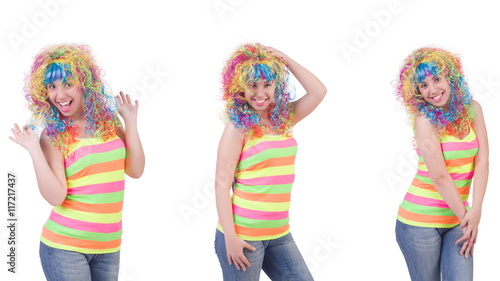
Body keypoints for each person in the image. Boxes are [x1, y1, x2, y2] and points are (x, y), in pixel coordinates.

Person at [9, 43, 145, 281]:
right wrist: (34, 150)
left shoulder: (109, 122)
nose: (59, 96)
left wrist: (131, 122)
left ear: (85, 84)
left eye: (68, 84)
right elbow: (56, 196)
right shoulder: (53, 135)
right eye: (52, 86)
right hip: (65, 248)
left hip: (109, 247)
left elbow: (135, 170)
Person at [214, 43, 327, 280]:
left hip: (279, 233)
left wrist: (284, 59)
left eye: (268, 84)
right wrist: (230, 238)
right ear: (240, 87)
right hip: (243, 235)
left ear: (277, 85)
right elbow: (221, 185)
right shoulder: (238, 127)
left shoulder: (284, 118)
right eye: (252, 85)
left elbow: (319, 91)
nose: (260, 93)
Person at [394, 47, 488, 280]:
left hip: (459, 216)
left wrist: (475, 210)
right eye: (423, 85)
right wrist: (468, 218)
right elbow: (440, 177)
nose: (433, 90)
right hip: (418, 223)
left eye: (437, 79)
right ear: (416, 91)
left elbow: (483, 159)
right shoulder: (425, 121)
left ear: (451, 78)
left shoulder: (472, 109)